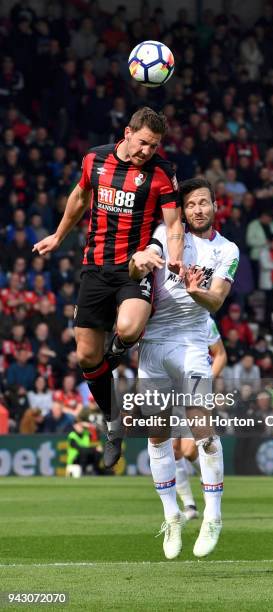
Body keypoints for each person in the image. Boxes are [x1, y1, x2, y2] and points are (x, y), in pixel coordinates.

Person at [33, 107, 184, 469]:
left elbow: (174, 221)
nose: (149, 150)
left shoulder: (162, 173)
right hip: (96, 268)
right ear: (128, 132)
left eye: (156, 145)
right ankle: (114, 422)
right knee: (86, 356)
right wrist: (58, 235)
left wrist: (175, 258)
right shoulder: (95, 160)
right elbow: (79, 198)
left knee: (130, 327)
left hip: (135, 266)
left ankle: (115, 352)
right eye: (145, 142)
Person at [130, 177, 239, 559]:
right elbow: (135, 271)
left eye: (204, 203)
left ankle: (213, 515)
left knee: (202, 429)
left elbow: (217, 301)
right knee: (158, 435)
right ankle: (172, 516)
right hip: (155, 342)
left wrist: (197, 291)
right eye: (191, 204)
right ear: (184, 208)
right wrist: (137, 261)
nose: (197, 209)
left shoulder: (227, 250)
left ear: (214, 205)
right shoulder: (165, 232)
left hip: (193, 341)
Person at [174, 316, 227, 521]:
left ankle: (211, 482)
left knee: (188, 450)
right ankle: (189, 505)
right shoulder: (164, 315)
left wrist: (205, 382)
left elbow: (220, 355)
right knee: (173, 449)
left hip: (194, 389)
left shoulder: (205, 320)